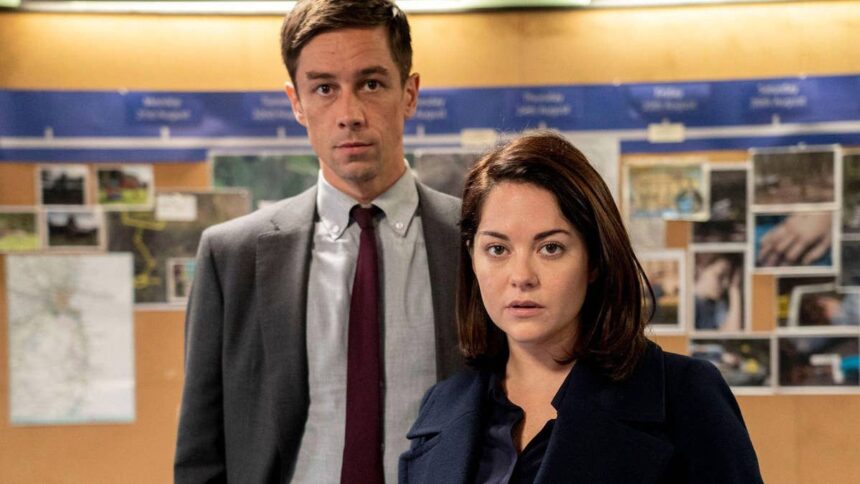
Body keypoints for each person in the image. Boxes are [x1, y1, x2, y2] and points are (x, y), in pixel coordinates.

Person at [174, 1, 463, 482]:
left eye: (371, 84)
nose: (349, 114)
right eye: (325, 88)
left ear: (409, 94)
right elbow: (200, 452)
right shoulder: (232, 257)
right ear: (296, 103)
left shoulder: (476, 241)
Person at [399, 132, 763, 483]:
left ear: (594, 261)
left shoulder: (684, 396)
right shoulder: (442, 406)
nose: (521, 276)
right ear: (472, 257)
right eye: (498, 249)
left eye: (550, 248)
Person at [693, 253, 743, 331]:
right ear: (700, 269)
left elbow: (732, 331)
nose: (726, 284)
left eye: (728, 279)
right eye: (720, 276)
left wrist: (734, 288)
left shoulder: (717, 305)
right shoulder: (692, 304)